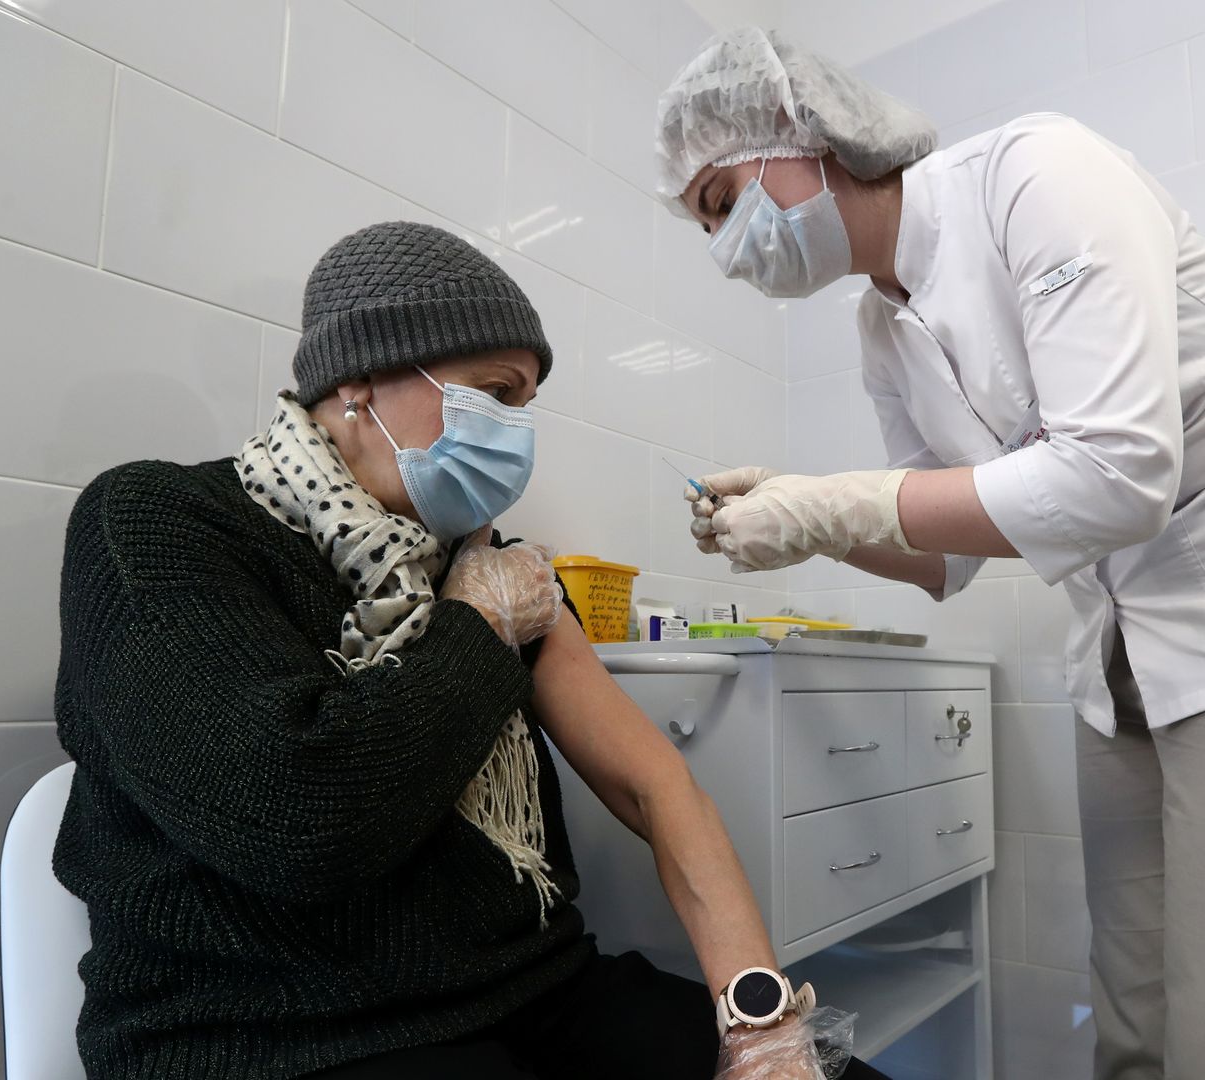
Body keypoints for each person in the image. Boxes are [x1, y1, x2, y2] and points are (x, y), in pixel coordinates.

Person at [654, 28, 1205, 1080]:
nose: (726, 244)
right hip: (1129, 652)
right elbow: (946, 557)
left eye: (724, 200)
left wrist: (834, 505)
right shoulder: (881, 332)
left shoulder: (1036, 175)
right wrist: (809, 524)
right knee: (1134, 1026)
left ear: (806, 134)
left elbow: (1117, 472)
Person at [53, 220, 887, 1080]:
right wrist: (476, 628)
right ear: (358, 380)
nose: (517, 432)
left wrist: (760, 1024)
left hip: (533, 997)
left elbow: (656, 784)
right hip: (271, 1034)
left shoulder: (494, 570)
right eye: (496, 393)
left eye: (526, 405)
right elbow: (301, 820)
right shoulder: (159, 525)